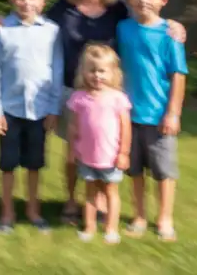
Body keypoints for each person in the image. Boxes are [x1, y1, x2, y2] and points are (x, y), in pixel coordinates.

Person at [0, 0, 186, 224]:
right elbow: (30, 22)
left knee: (105, 149)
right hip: (71, 92)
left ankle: (101, 202)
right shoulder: (62, 8)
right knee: (73, 154)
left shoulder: (118, 10)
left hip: (108, 96)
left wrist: (175, 25)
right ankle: (71, 201)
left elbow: (148, 22)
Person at [0, 0, 63, 234]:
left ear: (42, 0)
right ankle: (7, 213)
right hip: (9, 111)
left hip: (39, 111)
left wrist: (53, 109)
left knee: (33, 164)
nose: (26, 2)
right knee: (8, 165)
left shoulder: (52, 32)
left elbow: (56, 71)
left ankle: (33, 210)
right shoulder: (0, 31)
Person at [117, 0, 188, 242]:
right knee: (134, 170)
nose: (142, 0)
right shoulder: (123, 29)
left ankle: (165, 218)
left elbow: (178, 75)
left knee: (163, 171)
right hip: (128, 116)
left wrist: (173, 113)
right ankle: (138, 216)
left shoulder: (169, 35)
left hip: (159, 117)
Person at [67, 44, 131, 244]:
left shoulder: (118, 98)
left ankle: (111, 229)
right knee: (90, 194)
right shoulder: (79, 98)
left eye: (102, 71)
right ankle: (89, 227)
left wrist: (123, 153)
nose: (97, 75)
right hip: (87, 157)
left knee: (111, 193)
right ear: (84, 72)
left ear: (112, 72)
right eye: (92, 70)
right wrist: (72, 150)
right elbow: (73, 127)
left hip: (110, 157)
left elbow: (126, 128)